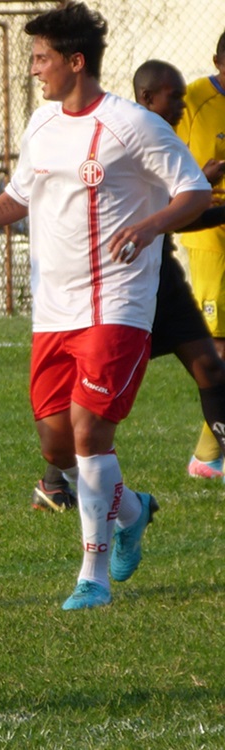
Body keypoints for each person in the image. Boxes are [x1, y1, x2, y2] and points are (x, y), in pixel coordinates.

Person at [0, 2, 210, 610]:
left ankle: (92, 578)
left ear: (75, 62)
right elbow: (15, 199)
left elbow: (196, 191)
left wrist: (150, 225)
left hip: (118, 305)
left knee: (88, 431)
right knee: (55, 445)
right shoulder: (42, 126)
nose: (34, 70)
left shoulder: (133, 125)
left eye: (41, 58)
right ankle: (132, 510)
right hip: (54, 311)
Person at [32, 59, 225, 511]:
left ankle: (213, 461)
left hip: (161, 279)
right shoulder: (129, 139)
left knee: (211, 367)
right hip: (120, 286)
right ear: (147, 98)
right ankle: (56, 478)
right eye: (172, 96)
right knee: (81, 403)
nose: (180, 104)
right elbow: (170, 220)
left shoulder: (162, 140)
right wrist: (202, 196)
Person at [175, 29, 225, 480]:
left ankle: (209, 454)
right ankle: (209, 456)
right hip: (211, 237)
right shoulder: (191, 100)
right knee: (219, 344)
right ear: (217, 62)